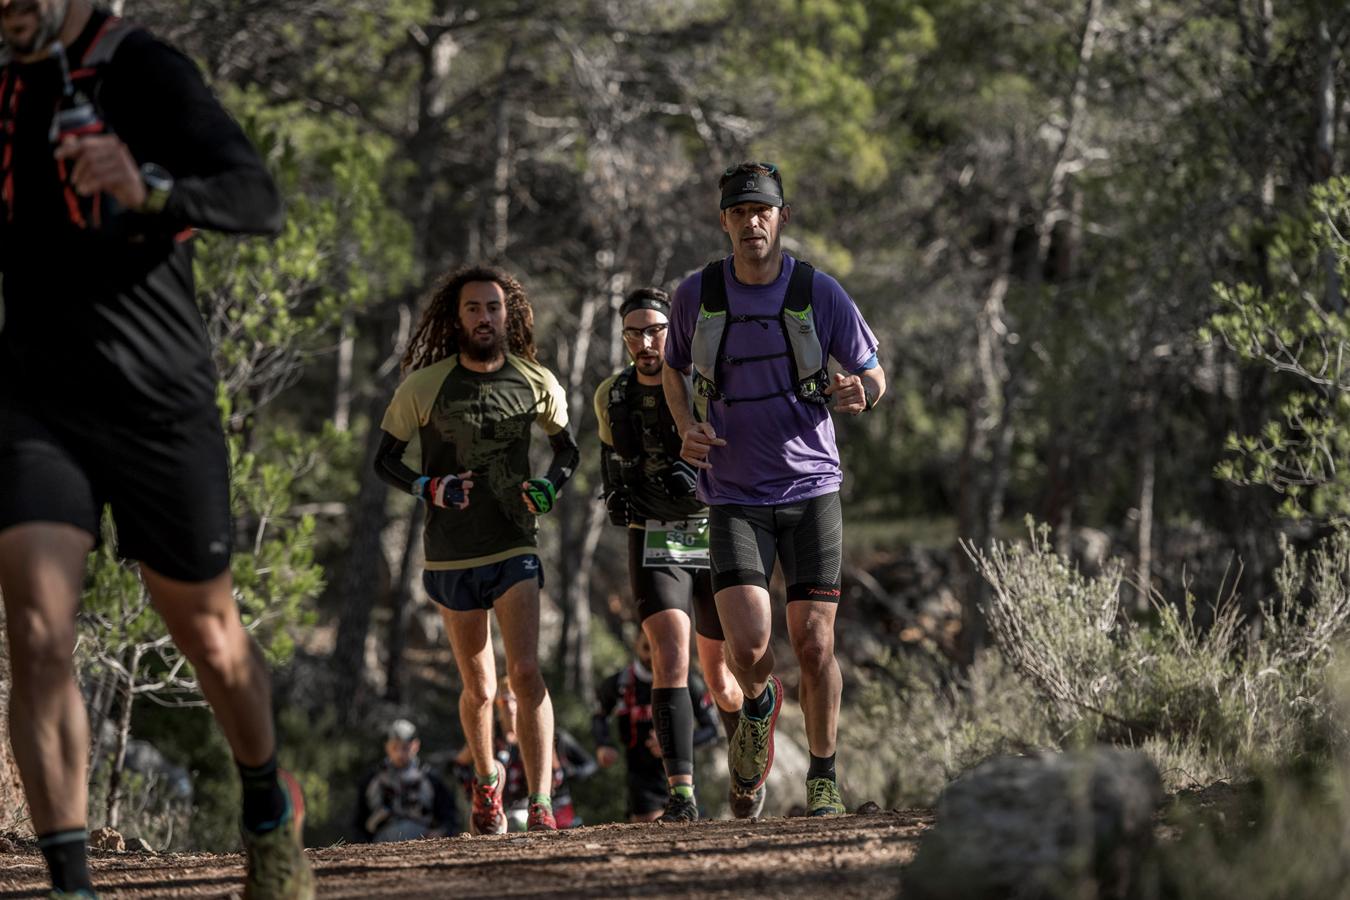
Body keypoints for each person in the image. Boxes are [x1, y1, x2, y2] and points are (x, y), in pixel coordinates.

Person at [0, 2, 306, 898]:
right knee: (36, 630)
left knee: (211, 637)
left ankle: (265, 807)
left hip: (156, 405)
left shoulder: (140, 69)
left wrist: (151, 188)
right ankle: (71, 884)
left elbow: (259, 197)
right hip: (34, 403)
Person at [662, 161, 886, 817]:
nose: (752, 221)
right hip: (732, 491)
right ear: (724, 220)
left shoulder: (820, 293)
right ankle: (758, 706)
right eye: (739, 211)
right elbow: (673, 372)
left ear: (782, 217)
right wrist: (683, 427)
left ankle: (822, 777)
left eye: (763, 210)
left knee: (815, 644)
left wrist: (859, 393)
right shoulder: (696, 295)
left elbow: (874, 376)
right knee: (748, 648)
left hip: (812, 488)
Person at [373, 264, 579, 834]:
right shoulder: (424, 385)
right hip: (451, 554)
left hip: (514, 543)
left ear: (507, 313)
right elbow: (384, 459)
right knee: (481, 687)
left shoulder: (536, 380)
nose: (484, 317)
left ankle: (539, 802)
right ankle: (487, 784)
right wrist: (427, 486)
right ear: (456, 316)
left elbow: (568, 453)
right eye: (473, 308)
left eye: (493, 307)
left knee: (527, 672)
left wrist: (549, 487)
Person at [594, 287, 750, 821]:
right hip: (654, 533)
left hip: (714, 531)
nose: (645, 340)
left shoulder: (700, 387)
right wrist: (614, 490)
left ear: (673, 331)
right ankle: (680, 794)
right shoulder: (610, 396)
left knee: (724, 677)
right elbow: (609, 457)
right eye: (634, 331)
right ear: (623, 337)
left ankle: (746, 765)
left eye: (655, 329)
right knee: (670, 658)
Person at [592, 631, 720, 822]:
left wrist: (673, 745)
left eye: (657, 648)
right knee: (650, 829)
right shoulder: (619, 684)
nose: (651, 656)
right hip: (641, 779)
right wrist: (603, 744)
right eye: (646, 648)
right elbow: (598, 716)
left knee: (685, 828)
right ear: (636, 644)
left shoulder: (688, 683)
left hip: (685, 775)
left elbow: (711, 729)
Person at [454, 677, 597, 831]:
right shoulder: (490, 737)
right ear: (497, 705)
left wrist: (567, 773)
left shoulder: (552, 736)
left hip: (551, 808)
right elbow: (458, 765)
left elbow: (584, 767)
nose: (509, 706)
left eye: (514, 700)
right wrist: (474, 792)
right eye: (503, 701)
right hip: (503, 809)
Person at [355, 719, 458, 842]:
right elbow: (358, 822)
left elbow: (449, 817)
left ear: (415, 746)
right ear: (387, 747)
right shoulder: (372, 779)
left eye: (405, 748)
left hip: (423, 845)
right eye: (395, 747)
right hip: (380, 846)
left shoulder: (430, 778)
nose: (400, 754)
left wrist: (440, 832)